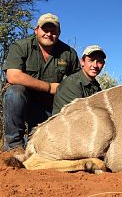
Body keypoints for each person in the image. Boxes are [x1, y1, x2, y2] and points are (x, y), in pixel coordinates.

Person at [2, 13, 81, 152]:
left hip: (49, 108)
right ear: (36, 30)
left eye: (53, 30)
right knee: (14, 92)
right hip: (24, 102)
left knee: (45, 146)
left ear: (59, 33)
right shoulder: (21, 46)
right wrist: (49, 87)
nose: (49, 34)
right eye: (45, 29)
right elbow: (13, 76)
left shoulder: (69, 53)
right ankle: (13, 146)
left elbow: (76, 83)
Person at [52, 45, 106, 115]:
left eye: (99, 62)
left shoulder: (96, 87)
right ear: (82, 62)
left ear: (103, 64)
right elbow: (77, 116)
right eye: (91, 60)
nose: (95, 65)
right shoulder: (71, 83)